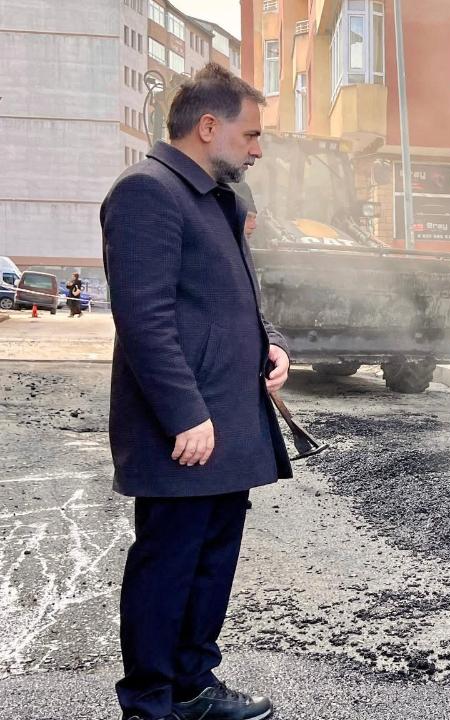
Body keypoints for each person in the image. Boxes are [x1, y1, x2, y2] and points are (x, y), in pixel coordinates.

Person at [100, 63, 291, 720]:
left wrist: (266, 343)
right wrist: (184, 414)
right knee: (168, 564)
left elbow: (231, 293)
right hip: (182, 426)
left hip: (230, 419)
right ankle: (150, 703)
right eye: (251, 135)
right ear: (209, 126)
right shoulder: (145, 192)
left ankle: (193, 686)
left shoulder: (219, 199)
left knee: (212, 559)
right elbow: (144, 315)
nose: (258, 149)